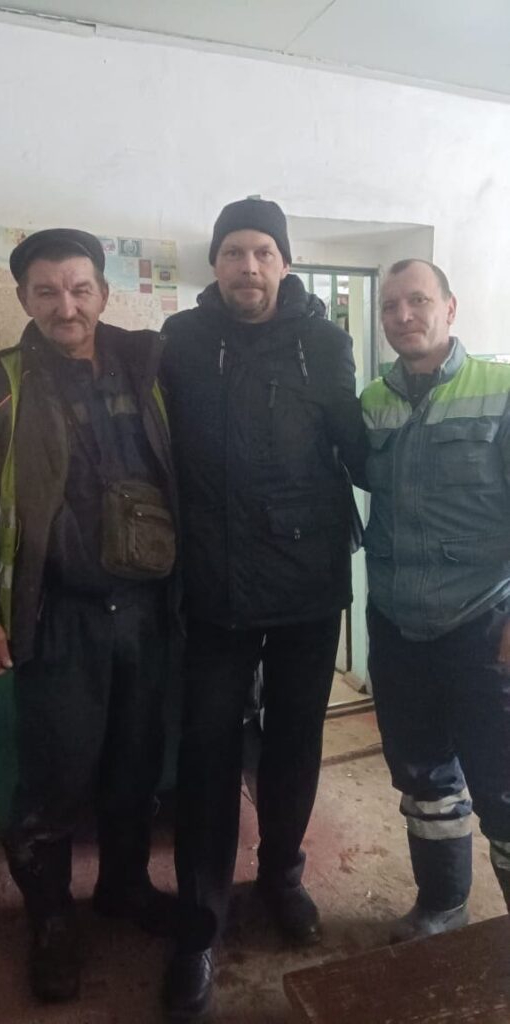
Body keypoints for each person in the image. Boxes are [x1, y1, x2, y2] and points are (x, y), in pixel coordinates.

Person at [0, 229, 178, 1002]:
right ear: (24, 299)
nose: (65, 306)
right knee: (55, 781)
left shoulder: (150, 366)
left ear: (103, 291)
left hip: (149, 614)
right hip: (58, 618)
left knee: (136, 767)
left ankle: (125, 888)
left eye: (79, 289)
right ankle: (50, 920)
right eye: (47, 292)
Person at [158, 198, 367, 1018]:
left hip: (307, 584)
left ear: (285, 262)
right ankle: (198, 926)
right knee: (207, 753)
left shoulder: (325, 342)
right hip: (212, 587)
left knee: (293, 743)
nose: (248, 266)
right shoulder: (179, 340)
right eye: (233, 252)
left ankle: (282, 876)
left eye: (263, 252)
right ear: (214, 263)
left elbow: (358, 446)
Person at [362, 258, 510, 943]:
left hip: (485, 625)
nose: (403, 316)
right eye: (391, 306)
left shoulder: (500, 389)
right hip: (398, 629)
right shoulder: (372, 402)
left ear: (449, 308)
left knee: (503, 787)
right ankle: (443, 906)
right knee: (423, 781)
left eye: (417, 301)